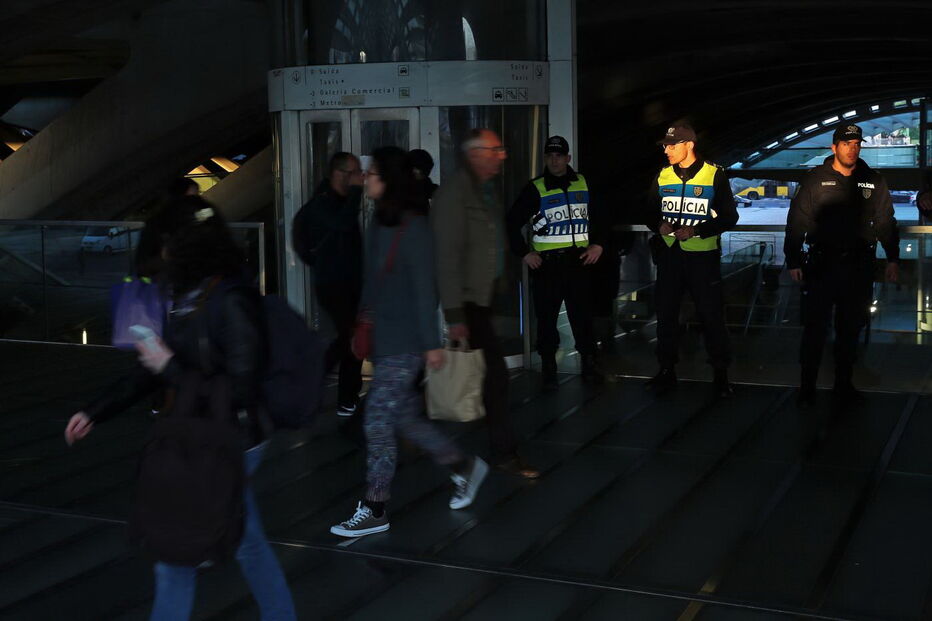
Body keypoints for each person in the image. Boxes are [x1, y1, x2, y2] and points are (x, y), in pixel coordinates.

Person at [64, 196, 297, 621]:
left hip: (230, 440)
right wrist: (96, 410)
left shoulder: (232, 299)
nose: (163, 255)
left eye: (168, 245)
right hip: (196, 434)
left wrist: (169, 367)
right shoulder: (186, 295)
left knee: (175, 555)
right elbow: (149, 370)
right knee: (240, 544)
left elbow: (241, 390)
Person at [330, 146, 487, 538]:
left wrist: (431, 343)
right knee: (405, 419)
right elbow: (370, 281)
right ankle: (464, 466)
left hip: (407, 344)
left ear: (390, 179)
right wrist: (360, 328)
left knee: (378, 422)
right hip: (383, 339)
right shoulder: (377, 223)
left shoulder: (415, 227)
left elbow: (423, 289)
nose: (366, 179)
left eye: (373, 174)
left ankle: (375, 506)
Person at [432, 128, 540, 479]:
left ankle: (377, 419)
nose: (503, 156)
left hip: (482, 297)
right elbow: (446, 258)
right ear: (475, 153)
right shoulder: (454, 194)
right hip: (467, 302)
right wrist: (454, 316)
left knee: (472, 375)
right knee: (494, 377)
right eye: (496, 150)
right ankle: (504, 452)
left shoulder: (485, 190)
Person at [785, 123, 899, 407]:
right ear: (834, 147)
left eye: (857, 143)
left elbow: (886, 221)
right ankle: (807, 386)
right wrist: (793, 258)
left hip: (859, 267)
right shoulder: (814, 179)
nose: (853, 148)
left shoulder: (873, 180)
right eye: (847, 143)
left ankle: (843, 386)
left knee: (850, 330)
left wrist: (893, 257)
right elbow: (798, 221)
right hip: (822, 265)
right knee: (815, 329)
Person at [646, 124, 739, 398]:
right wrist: (659, 225)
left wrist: (696, 230)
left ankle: (720, 375)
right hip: (669, 256)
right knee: (665, 316)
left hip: (703, 258)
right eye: (665, 145)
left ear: (689, 145)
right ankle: (666, 370)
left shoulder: (714, 175)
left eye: (672, 145)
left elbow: (729, 217)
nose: (666, 149)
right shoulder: (662, 175)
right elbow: (648, 211)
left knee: (711, 317)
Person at [506, 135, 605, 389]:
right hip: (547, 266)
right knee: (547, 318)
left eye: (559, 155)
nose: (554, 160)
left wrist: (599, 244)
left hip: (579, 262)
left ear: (567, 158)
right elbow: (511, 222)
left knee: (582, 317)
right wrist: (524, 253)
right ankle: (548, 366)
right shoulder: (535, 187)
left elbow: (604, 215)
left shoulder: (583, 183)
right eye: (550, 155)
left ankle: (589, 363)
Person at [293, 152, 365, 416]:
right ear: (339, 174)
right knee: (347, 338)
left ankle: (347, 396)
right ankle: (317, 385)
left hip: (350, 283)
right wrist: (357, 191)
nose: (360, 177)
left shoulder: (340, 202)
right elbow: (344, 225)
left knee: (350, 338)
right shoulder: (321, 205)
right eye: (354, 172)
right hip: (332, 285)